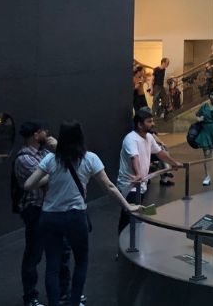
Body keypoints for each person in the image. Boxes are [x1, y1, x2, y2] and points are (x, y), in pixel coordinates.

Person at [24, 121, 138, 306]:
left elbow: (29, 185)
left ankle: (54, 303)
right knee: (81, 262)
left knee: (52, 264)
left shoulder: (50, 159)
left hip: (50, 217)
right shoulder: (90, 158)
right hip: (75, 217)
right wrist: (127, 206)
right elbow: (109, 186)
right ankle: (75, 301)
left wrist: (50, 176)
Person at [14, 121, 70, 306]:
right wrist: (56, 170)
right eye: (43, 131)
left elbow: (65, 166)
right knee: (34, 255)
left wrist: (59, 150)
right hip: (35, 210)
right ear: (36, 135)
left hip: (52, 208)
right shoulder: (24, 158)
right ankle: (30, 297)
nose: (47, 132)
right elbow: (41, 181)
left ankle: (63, 293)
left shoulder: (45, 153)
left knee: (62, 251)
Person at [117, 108, 182, 235]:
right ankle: (122, 250)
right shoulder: (131, 139)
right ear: (140, 125)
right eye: (149, 121)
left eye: (152, 121)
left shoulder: (149, 137)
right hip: (130, 186)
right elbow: (134, 157)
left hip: (141, 184)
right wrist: (138, 174)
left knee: (139, 214)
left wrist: (174, 163)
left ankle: (135, 241)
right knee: (127, 218)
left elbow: (160, 153)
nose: (153, 124)